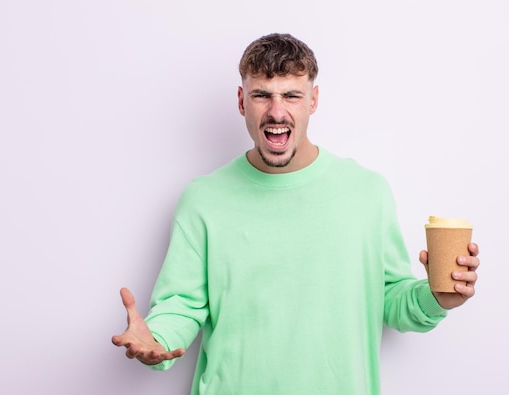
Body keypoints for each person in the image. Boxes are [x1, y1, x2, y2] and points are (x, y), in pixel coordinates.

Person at [112, 32, 480, 395]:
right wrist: (156, 340)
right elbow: (182, 305)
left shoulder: (366, 192)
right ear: (242, 101)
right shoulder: (203, 199)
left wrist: (436, 297)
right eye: (262, 95)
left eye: (291, 95)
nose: (276, 111)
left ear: (313, 100)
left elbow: (392, 296)